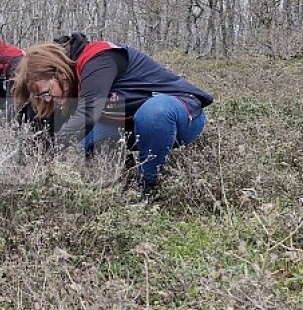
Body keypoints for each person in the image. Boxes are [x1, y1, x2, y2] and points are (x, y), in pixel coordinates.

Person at [13, 33, 213, 199]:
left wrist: (54, 149)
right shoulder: (69, 83)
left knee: (154, 113)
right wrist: (34, 163)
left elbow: (88, 113)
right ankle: (128, 178)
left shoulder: (98, 58)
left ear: (59, 73)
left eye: (47, 92)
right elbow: (42, 126)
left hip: (181, 116)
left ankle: (148, 185)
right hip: (135, 127)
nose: (48, 99)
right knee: (82, 143)